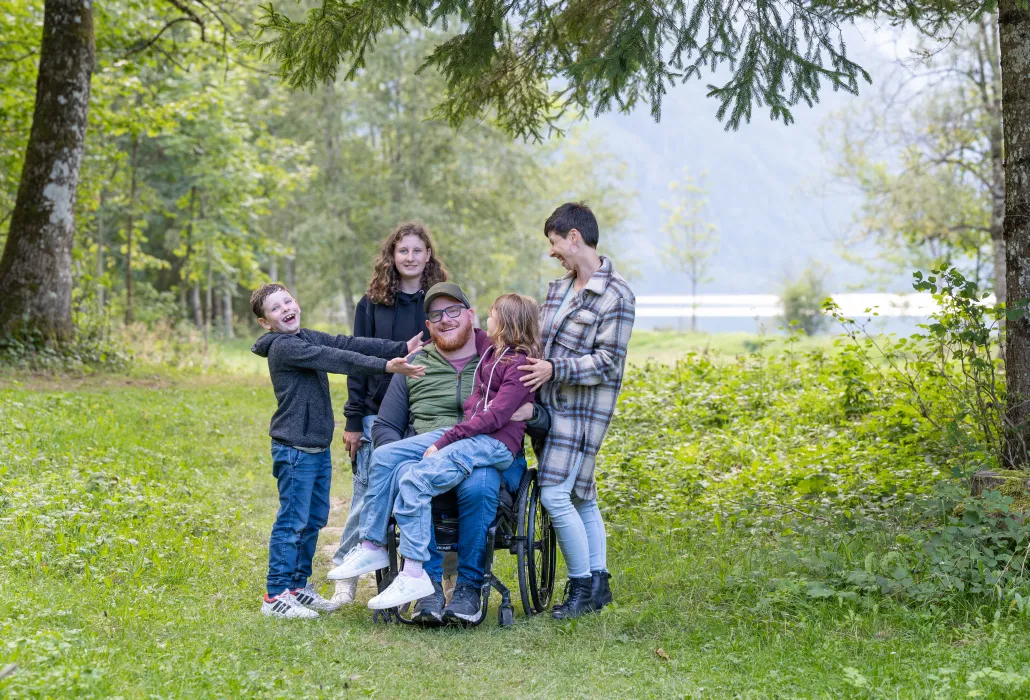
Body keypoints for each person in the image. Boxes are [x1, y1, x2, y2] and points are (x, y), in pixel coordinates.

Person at [328, 283, 541, 624]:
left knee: (478, 482)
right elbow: (385, 425)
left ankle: (469, 587)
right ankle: (418, 583)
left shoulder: (497, 352)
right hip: (433, 444)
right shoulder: (416, 363)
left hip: (484, 450)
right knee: (398, 467)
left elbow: (529, 407)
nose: (445, 320)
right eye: (435, 314)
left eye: (454, 311)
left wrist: (533, 413)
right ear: (427, 324)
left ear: (473, 317)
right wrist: (398, 455)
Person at [249, 282, 424, 619]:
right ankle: (276, 595)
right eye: (275, 308)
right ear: (265, 322)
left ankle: (298, 588)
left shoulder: (303, 336)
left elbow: (347, 342)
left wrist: (400, 346)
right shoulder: (283, 347)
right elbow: (337, 358)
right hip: (294, 450)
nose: (285, 309)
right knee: (293, 521)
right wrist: (387, 367)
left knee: (313, 519)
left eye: (287, 301)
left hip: (314, 449)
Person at [518, 202, 636, 620]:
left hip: (582, 415)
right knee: (582, 495)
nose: (552, 252)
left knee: (554, 495)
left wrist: (555, 367)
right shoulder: (558, 288)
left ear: (574, 237)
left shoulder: (617, 296)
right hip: (549, 409)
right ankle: (600, 582)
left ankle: (581, 587)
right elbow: (542, 343)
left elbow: (607, 361)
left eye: (554, 242)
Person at [331, 222, 448, 606]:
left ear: (428, 255)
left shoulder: (441, 304)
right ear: (392, 257)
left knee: (427, 494)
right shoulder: (372, 303)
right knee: (368, 494)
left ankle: (434, 577)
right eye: (403, 251)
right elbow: (355, 360)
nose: (410, 257)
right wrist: (352, 419)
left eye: (417, 250)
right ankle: (346, 571)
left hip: (427, 413)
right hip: (377, 412)